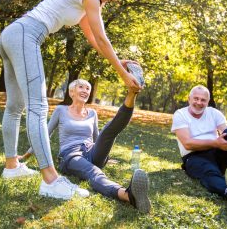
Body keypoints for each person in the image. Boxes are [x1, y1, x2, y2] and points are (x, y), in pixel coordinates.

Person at [0, 0, 142, 200]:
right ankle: (51, 180)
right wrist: (123, 75)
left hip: (12, 34)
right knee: (38, 106)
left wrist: (120, 62)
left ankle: (11, 166)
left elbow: (95, 41)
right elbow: (102, 37)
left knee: (15, 108)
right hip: (26, 34)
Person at [21, 78, 151, 213]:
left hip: (90, 150)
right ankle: (127, 195)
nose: (85, 91)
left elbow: (99, 138)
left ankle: (132, 93)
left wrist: (104, 156)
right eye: (81, 87)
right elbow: (45, 133)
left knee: (109, 131)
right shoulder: (61, 110)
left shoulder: (92, 113)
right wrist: (28, 154)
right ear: (71, 92)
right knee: (94, 172)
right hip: (70, 155)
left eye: (88, 88)